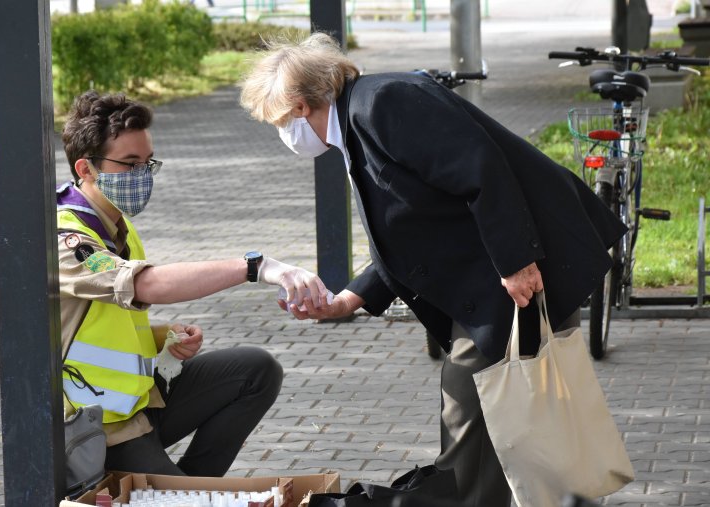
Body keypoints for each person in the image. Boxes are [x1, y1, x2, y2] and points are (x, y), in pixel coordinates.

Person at [239, 33, 627, 506]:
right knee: (489, 422)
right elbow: (411, 233)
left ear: (299, 106)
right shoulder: (358, 122)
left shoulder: (382, 103)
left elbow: (481, 169)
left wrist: (516, 261)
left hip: (510, 278)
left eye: (277, 121)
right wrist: (350, 299)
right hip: (491, 282)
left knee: (474, 417)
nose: (283, 134)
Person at [57, 90, 332, 476]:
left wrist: (162, 335)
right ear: (86, 169)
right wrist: (254, 267)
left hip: (140, 404)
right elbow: (147, 285)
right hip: (100, 428)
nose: (141, 175)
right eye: (130, 163)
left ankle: (192, 484)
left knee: (257, 370)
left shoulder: (117, 223)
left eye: (148, 162)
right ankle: (183, 490)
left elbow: (99, 325)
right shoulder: (66, 238)